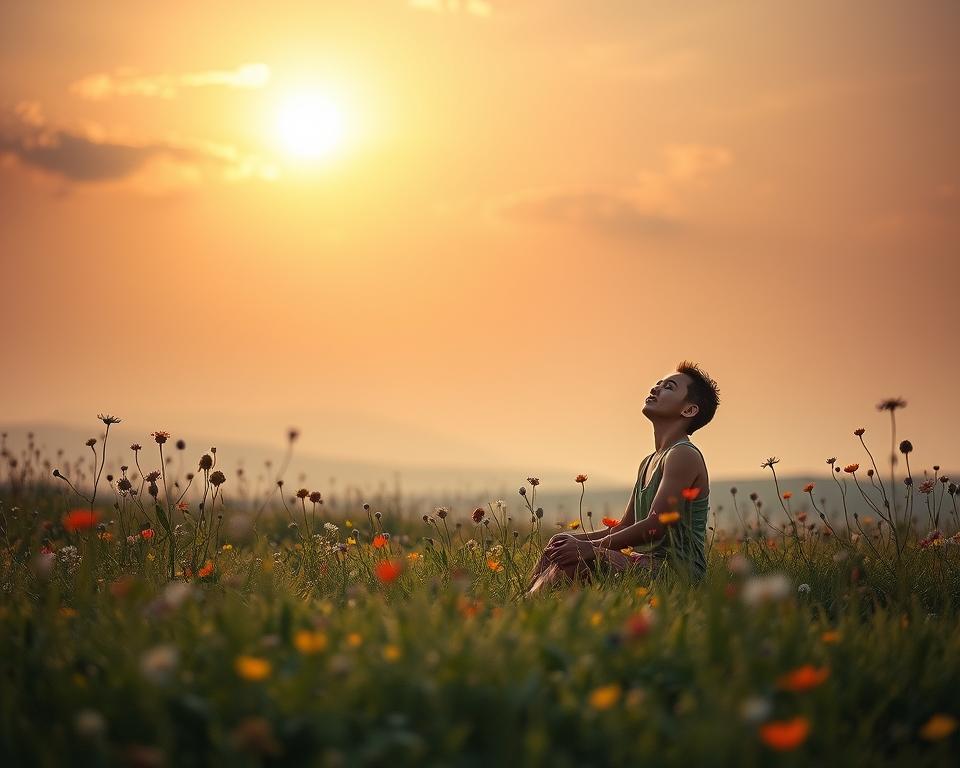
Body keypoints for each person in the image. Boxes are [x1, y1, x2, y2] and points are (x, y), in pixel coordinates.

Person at [526, 360, 720, 595]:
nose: (656, 388)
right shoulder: (649, 461)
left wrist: (589, 548)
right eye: (658, 383)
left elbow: (656, 525)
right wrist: (576, 542)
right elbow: (626, 526)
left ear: (688, 410)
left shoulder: (683, 455)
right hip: (644, 563)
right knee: (561, 542)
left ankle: (527, 608)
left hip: (677, 572)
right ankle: (524, 602)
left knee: (577, 556)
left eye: (668, 387)